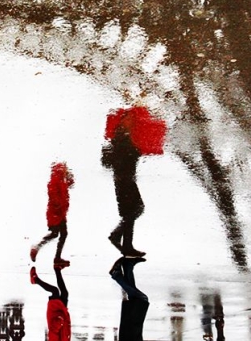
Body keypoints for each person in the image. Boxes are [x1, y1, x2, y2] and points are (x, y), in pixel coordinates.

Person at [102, 127, 146, 257]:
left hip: (122, 182)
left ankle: (117, 236)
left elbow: (106, 163)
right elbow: (134, 156)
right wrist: (135, 148)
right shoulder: (126, 145)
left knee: (134, 210)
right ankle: (125, 244)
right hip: (126, 182)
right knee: (132, 211)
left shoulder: (111, 146)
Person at [31, 161, 75, 267]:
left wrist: (70, 179)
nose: (66, 170)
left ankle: (57, 258)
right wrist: (59, 205)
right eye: (64, 169)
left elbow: (69, 185)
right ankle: (36, 247)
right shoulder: (54, 180)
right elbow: (53, 195)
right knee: (55, 233)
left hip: (60, 213)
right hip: (55, 213)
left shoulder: (61, 180)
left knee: (62, 234)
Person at [109, 256, 149, 341]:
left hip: (130, 332)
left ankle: (116, 274)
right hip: (132, 332)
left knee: (142, 300)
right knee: (136, 298)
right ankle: (128, 266)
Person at [30, 266, 71, 341]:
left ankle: (35, 280)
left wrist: (60, 321)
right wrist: (66, 318)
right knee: (64, 293)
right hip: (62, 313)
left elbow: (52, 332)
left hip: (55, 315)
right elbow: (67, 332)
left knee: (55, 291)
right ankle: (57, 268)